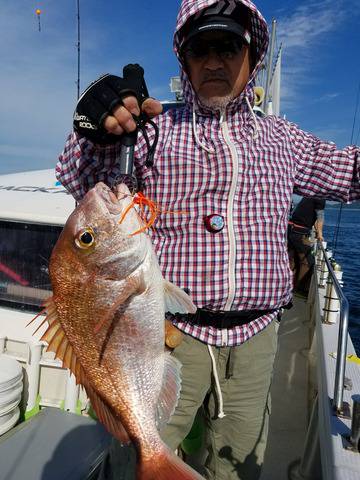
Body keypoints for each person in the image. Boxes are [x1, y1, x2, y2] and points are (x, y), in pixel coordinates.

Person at [56, 1, 360, 479]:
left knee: (236, 465)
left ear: (252, 56)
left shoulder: (284, 139)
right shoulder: (155, 130)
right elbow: (78, 178)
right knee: (141, 455)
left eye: (228, 47)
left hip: (257, 338)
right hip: (171, 338)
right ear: (185, 61)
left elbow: (350, 174)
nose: (214, 61)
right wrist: (93, 123)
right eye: (201, 49)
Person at [288, 197, 326, 297]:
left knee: (292, 260)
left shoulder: (308, 195)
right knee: (308, 262)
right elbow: (320, 217)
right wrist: (320, 233)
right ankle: (300, 290)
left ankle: (286, 286)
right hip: (300, 232)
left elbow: (308, 215)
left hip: (291, 229)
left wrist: (317, 230)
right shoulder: (320, 198)